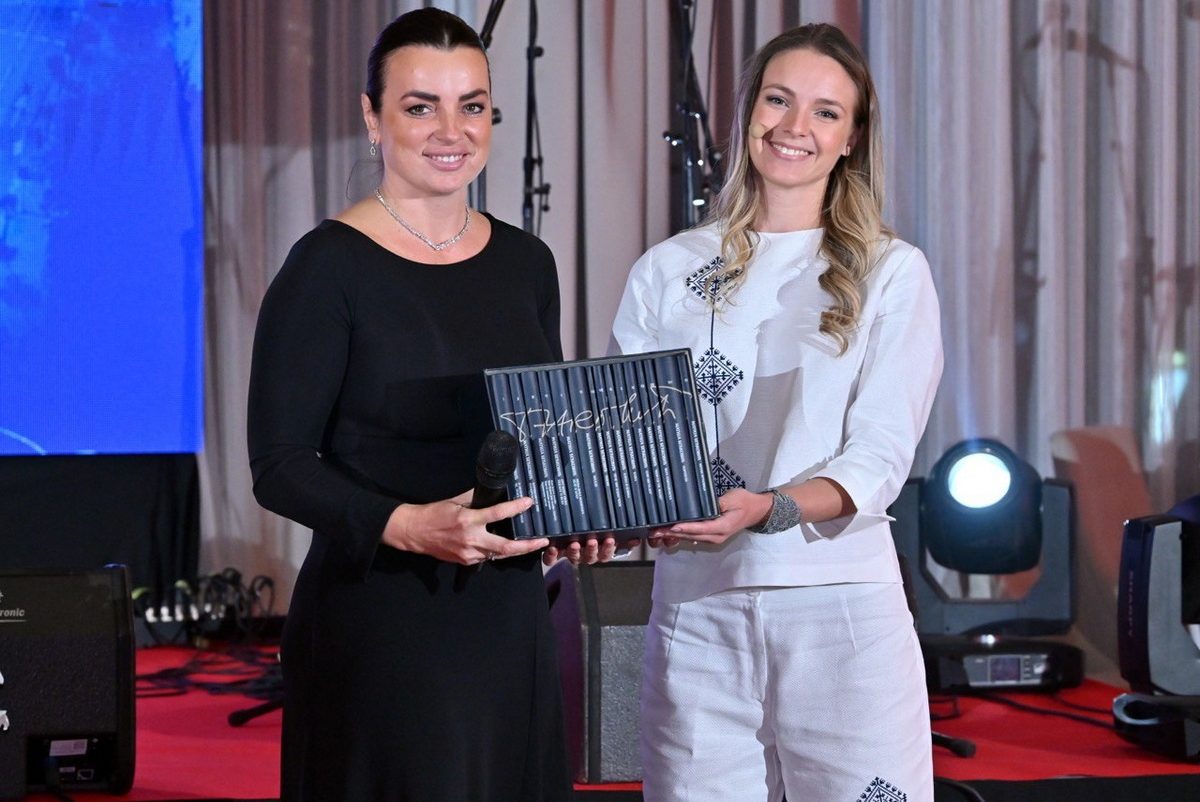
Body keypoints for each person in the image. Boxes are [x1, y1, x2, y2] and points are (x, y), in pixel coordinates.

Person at [247, 9, 583, 801]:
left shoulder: (528, 263)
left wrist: (577, 515)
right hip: (382, 621)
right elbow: (279, 465)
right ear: (373, 118)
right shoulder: (326, 266)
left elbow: (538, 434)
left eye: (472, 105)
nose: (451, 131)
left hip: (508, 621)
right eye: (420, 106)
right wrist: (406, 525)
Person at [610, 23, 943, 802]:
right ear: (748, 112)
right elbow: (634, 444)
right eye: (778, 100)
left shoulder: (892, 272)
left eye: (826, 112)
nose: (795, 127)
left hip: (841, 607)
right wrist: (607, 516)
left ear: (852, 137)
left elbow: (880, 456)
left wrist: (769, 509)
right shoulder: (667, 271)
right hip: (696, 609)